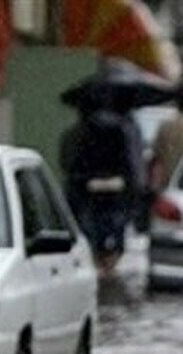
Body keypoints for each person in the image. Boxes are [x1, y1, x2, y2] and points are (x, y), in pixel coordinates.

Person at [60, 94, 144, 273]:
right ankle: (108, 263)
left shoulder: (76, 133)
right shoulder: (121, 130)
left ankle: (99, 262)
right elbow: (129, 162)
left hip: (87, 190)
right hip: (114, 190)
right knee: (114, 227)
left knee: (91, 228)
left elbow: (69, 163)